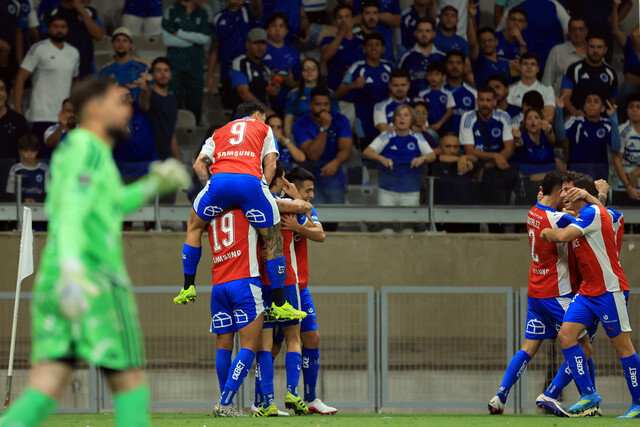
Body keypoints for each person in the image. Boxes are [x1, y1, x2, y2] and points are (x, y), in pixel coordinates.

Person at [0, 77, 189, 427]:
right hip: (92, 279)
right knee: (131, 383)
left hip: (57, 281)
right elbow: (72, 210)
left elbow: (108, 204)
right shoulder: (86, 148)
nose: (128, 109)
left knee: (47, 385)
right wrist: (75, 269)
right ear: (96, 109)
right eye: (121, 102)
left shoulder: (85, 151)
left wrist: (152, 184)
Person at [175, 101, 308, 345]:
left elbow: (198, 164)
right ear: (257, 115)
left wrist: (212, 190)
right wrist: (261, 191)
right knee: (273, 237)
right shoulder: (263, 129)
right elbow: (270, 164)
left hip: (219, 183)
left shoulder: (219, 131)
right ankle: (279, 303)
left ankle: (187, 286)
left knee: (193, 226)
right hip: (250, 183)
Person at [487, 171, 596, 416]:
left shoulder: (532, 212)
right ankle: (560, 395)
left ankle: (500, 396)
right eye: (564, 191)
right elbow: (592, 218)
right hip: (556, 294)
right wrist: (596, 196)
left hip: (535, 292)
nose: (566, 195)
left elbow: (558, 213)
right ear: (557, 192)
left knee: (528, 347)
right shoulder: (559, 218)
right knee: (584, 346)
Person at [540, 175, 640, 419]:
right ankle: (588, 393)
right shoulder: (584, 215)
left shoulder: (595, 213)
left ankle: (638, 403)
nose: (563, 194)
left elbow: (562, 235)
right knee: (566, 335)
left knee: (623, 347)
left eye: (568, 190)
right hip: (587, 292)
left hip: (609, 290)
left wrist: (546, 232)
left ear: (581, 193)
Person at [281, 166, 336, 415]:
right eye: (308, 190)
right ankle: (263, 400)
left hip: (301, 286)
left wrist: (299, 227)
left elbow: (320, 234)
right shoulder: (280, 207)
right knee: (273, 344)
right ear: (292, 188)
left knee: (312, 337)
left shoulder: (306, 209)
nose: (312, 195)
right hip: (280, 285)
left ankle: (311, 398)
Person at [13, 11, 80, 146]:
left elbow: (74, 82)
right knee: (40, 155)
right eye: (55, 26)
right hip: (40, 115)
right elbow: (20, 78)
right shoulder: (39, 48)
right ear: (48, 29)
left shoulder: (74, 52)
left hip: (64, 117)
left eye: (63, 26)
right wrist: (18, 110)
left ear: (67, 29)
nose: (59, 30)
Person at [363, 104, 435, 206]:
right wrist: (382, 158)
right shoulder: (386, 135)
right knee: (384, 217)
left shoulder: (417, 137)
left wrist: (422, 158)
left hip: (411, 192)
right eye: (399, 115)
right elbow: (367, 152)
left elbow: (432, 156)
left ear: (412, 120)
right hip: (387, 192)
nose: (402, 118)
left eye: (406, 115)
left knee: (409, 217)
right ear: (394, 119)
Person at [292, 87, 352, 204]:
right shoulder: (301, 123)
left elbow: (346, 150)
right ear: (310, 105)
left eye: (326, 104)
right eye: (318, 104)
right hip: (308, 179)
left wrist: (336, 162)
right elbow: (313, 155)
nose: (323, 108)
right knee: (313, 214)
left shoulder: (341, 120)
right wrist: (324, 128)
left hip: (334, 176)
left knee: (337, 213)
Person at [459, 85, 517, 205]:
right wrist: (495, 156)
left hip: (496, 168)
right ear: (477, 101)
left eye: (488, 100)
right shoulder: (468, 117)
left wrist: (486, 166)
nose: (485, 104)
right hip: (474, 165)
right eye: (481, 100)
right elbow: (469, 150)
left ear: (495, 102)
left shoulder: (504, 116)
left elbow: (509, 149)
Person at [335, 32, 392, 148]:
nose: (374, 48)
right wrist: (352, 85)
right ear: (364, 49)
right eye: (370, 45)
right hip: (364, 121)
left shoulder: (389, 67)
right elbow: (337, 94)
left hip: (386, 121)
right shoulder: (356, 68)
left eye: (377, 44)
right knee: (367, 154)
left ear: (383, 49)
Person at [162, 0, 212, 122]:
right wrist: (194, 40)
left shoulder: (203, 12)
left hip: (195, 65)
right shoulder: (171, 11)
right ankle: (171, 130)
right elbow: (168, 40)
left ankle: (194, 131)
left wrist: (179, 33)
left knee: (195, 102)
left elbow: (205, 39)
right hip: (175, 65)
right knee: (173, 102)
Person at [556, 92, 621, 181]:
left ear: (602, 108)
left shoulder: (606, 124)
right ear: (584, 107)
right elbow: (561, 136)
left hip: (600, 170)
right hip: (576, 169)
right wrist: (559, 111)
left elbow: (616, 147)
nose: (591, 104)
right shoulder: (575, 121)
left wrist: (613, 118)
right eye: (588, 101)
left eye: (596, 102)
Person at [497, 0, 569, 71]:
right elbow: (568, 29)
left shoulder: (516, 6)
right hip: (528, 56)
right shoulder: (555, 5)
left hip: (545, 58)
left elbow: (499, 30)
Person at [206, 0, 256, 99]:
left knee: (249, 105)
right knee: (229, 106)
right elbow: (214, 48)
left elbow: (257, 7)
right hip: (226, 73)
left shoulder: (249, 11)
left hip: (248, 73)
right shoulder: (218, 17)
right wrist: (209, 75)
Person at [561, 33, 618, 118]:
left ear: (605, 49)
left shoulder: (611, 73)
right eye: (592, 47)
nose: (595, 50)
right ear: (586, 47)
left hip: (602, 120)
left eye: (599, 47)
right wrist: (575, 112)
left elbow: (612, 102)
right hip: (577, 118)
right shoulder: (573, 69)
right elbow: (565, 98)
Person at [43, 0, 104, 77]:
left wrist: (83, 12)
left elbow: (98, 36)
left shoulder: (90, 11)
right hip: (59, 69)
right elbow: (44, 42)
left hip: (85, 68)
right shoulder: (50, 13)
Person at [562, 0, 631, 65]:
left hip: (603, 35)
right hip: (578, 36)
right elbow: (559, 6)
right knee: (574, 67)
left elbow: (627, 4)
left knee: (601, 68)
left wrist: (616, 20)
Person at [511, 108, 559, 200]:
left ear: (542, 121)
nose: (533, 120)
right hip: (528, 185)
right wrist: (516, 139)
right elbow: (519, 143)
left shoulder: (546, 135)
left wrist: (549, 130)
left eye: (536, 117)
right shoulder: (523, 136)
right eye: (529, 118)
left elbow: (552, 139)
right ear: (525, 123)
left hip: (549, 185)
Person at [284, 57, 338, 138]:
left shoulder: (328, 93)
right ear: (301, 72)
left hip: (325, 133)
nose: (309, 71)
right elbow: (288, 120)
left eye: (313, 68)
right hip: (300, 134)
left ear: (318, 71)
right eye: (306, 68)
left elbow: (336, 117)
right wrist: (287, 141)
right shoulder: (293, 94)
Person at [148, 56, 181, 185]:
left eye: (166, 70)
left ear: (171, 75)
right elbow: (143, 103)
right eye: (158, 70)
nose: (163, 74)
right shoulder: (148, 95)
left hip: (167, 157)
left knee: (168, 196)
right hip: (149, 156)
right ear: (152, 75)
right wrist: (145, 88)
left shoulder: (172, 100)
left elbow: (171, 130)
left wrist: (177, 158)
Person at [229, 28, 274, 115]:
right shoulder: (239, 63)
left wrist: (273, 92)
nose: (260, 47)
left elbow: (267, 96)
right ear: (247, 44)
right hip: (244, 116)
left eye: (263, 43)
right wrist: (265, 111)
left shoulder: (266, 68)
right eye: (255, 42)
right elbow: (243, 93)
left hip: (262, 117)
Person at [396, 18, 445, 98]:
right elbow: (395, 82)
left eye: (427, 31)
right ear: (415, 33)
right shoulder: (405, 57)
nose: (424, 34)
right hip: (411, 103)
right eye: (420, 31)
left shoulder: (443, 57)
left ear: (433, 34)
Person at [320, 4, 364, 93]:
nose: (343, 20)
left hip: (359, 91)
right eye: (339, 17)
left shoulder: (363, 42)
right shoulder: (328, 40)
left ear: (353, 19)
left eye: (347, 16)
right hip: (336, 88)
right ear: (335, 21)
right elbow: (325, 56)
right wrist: (342, 33)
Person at [263, 12, 301, 114]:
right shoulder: (261, 49)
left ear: (286, 31)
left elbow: (300, 81)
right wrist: (268, 77)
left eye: (281, 26)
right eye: (274, 25)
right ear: (268, 30)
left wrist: (291, 83)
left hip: (288, 104)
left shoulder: (294, 53)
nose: (277, 29)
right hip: (264, 103)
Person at [98, 27, 150, 100]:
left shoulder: (144, 67)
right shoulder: (104, 71)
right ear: (112, 44)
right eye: (118, 40)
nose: (121, 44)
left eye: (125, 41)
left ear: (130, 44)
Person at [467, 6, 510, 88]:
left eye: (490, 40)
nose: (487, 44)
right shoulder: (479, 60)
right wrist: (470, 19)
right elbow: (472, 44)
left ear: (496, 42)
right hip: (485, 95)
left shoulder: (505, 63)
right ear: (479, 44)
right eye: (483, 41)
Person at [542, 18, 587, 96]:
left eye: (581, 29)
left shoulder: (594, 50)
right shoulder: (557, 51)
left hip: (589, 102)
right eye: (574, 29)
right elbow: (547, 81)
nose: (577, 32)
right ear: (568, 32)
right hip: (559, 101)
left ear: (586, 31)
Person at [611, 0, 640, 118]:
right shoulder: (629, 42)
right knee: (626, 90)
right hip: (629, 88)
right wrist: (615, 7)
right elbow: (615, 30)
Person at [507, 52, 555, 122]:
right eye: (525, 64)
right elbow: (508, 115)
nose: (529, 67)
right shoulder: (510, 89)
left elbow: (549, 116)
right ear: (519, 67)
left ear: (537, 69)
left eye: (532, 64)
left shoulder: (548, 89)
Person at [611, 93, 640, 205]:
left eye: (638, 107)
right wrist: (628, 187)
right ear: (627, 110)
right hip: (622, 184)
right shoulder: (622, 131)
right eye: (631, 107)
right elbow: (617, 159)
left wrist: (636, 172)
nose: (635, 110)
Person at [6, 133, 49, 202]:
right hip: (19, 205)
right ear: (20, 151)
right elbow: (10, 192)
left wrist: (36, 200)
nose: (29, 154)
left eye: (33, 151)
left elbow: (48, 192)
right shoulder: (15, 169)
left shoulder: (44, 169)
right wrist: (23, 200)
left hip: (40, 205)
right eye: (26, 151)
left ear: (37, 151)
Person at [417, 61, 454, 133]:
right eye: (430, 74)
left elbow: (449, 111)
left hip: (443, 127)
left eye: (437, 74)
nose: (433, 77)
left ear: (443, 77)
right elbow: (420, 110)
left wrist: (439, 124)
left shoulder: (448, 94)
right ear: (427, 77)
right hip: (427, 127)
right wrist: (425, 124)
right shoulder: (422, 94)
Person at [445, 50, 476, 133]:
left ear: (464, 66)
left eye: (458, 63)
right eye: (451, 62)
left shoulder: (473, 94)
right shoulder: (438, 90)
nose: (454, 66)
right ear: (445, 65)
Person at [373, 68, 411, 133]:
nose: (399, 88)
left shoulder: (416, 104)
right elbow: (384, 130)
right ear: (390, 86)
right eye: (396, 85)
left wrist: (392, 128)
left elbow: (423, 128)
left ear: (409, 85)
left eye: (403, 85)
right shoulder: (380, 106)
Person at [0, 79, 29, 163]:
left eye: (2, 89)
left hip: (12, 168)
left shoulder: (18, 119)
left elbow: (27, 148)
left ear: (6, 93)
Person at [495, 6, 528, 79]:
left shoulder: (526, 42)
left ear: (525, 25)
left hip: (516, 81)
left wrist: (521, 41)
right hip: (496, 78)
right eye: (513, 19)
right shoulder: (494, 38)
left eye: (520, 21)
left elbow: (526, 64)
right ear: (507, 21)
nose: (516, 23)